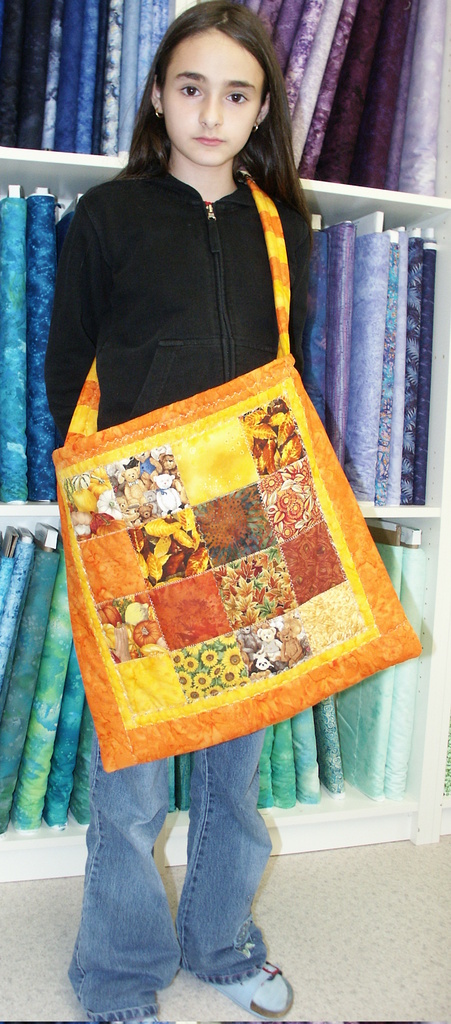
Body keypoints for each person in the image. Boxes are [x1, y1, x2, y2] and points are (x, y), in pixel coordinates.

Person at [45, 2, 311, 1021]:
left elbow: (287, 369)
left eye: (235, 94)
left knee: (233, 775)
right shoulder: (107, 217)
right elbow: (69, 368)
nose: (210, 112)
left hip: (250, 520)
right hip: (138, 520)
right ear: (159, 94)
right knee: (133, 785)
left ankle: (221, 941)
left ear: (260, 110)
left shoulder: (279, 226)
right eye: (191, 87)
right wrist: (93, 505)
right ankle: (117, 975)